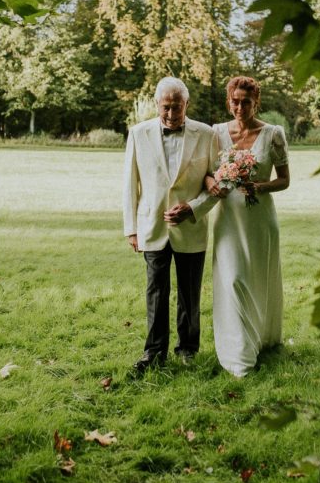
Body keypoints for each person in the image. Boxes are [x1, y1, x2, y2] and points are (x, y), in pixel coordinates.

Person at [123, 77, 219, 374]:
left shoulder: (206, 134)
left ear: (186, 105)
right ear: (156, 104)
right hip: (152, 225)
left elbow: (217, 183)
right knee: (156, 292)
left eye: (177, 107)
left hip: (191, 226)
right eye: (166, 107)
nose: (171, 113)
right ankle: (154, 352)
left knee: (190, 293)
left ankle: (188, 348)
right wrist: (131, 228)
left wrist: (192, 208)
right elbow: (130, 184)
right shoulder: (138, 134)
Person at [205, 76, 290, 377]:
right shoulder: (215, 133)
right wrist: (213, 181)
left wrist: (260, 187)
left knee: (257, 278)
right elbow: (205, 173)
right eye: (235, 101)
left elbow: (284, 180)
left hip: (260, 220)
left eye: (246, 102)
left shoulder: (273, 134)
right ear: (228, 101)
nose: (240, 107)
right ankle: (238, 354)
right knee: (233, 279)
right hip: (228, 220)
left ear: (257, 103)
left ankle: (263, 338)